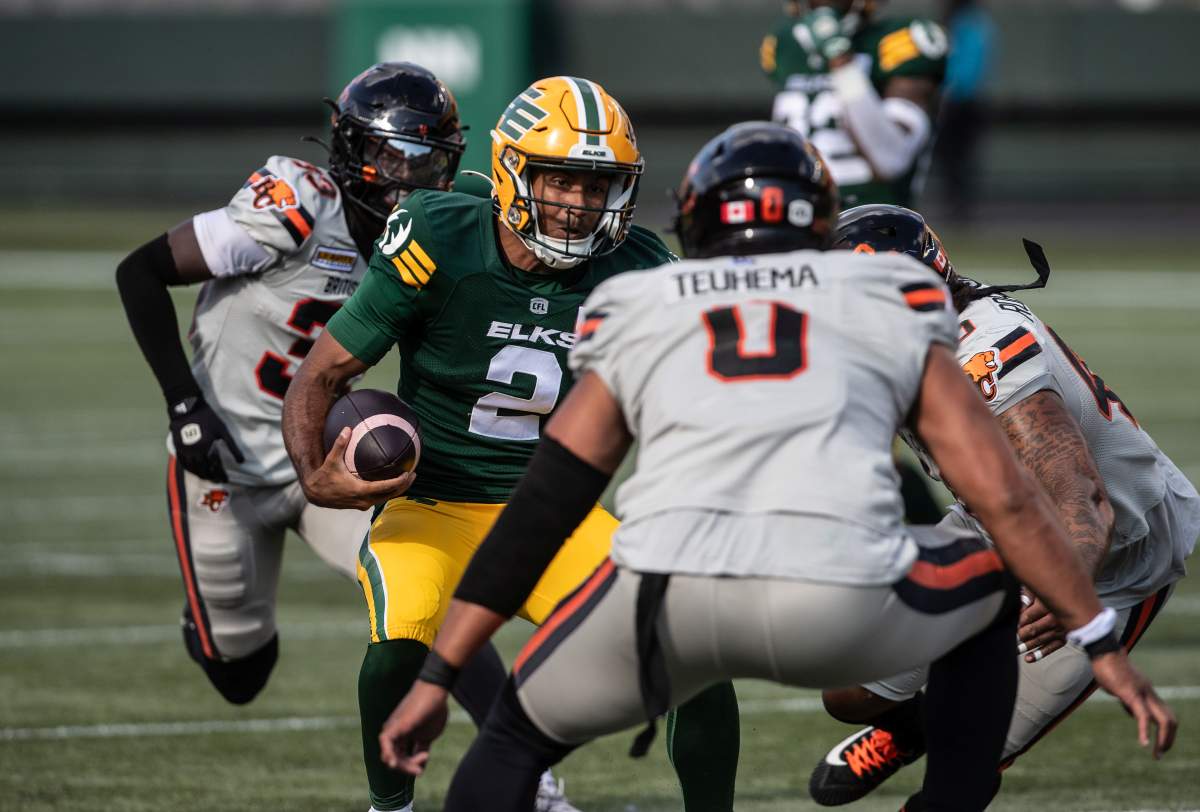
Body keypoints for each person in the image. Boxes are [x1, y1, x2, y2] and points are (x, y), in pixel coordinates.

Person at [373, 122, 1176, 812]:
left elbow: (545, 505)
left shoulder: (639, 302)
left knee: (513, 739)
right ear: (818, 220)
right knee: (990, 590)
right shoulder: (891, 303)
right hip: (832, 595)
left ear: (693, 221)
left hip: (672, 594)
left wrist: (440, 674)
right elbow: (1006, 498)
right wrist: (1099, 641)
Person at [281, 76, 676, 812]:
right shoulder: (440, 236)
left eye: (598, 186)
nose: (579, 204)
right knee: (399, 641)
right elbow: (323, 373)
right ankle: (390, 807)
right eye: (560, 180)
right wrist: (314, 475)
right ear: (512, 173)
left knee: (683, 649)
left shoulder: (641, 269)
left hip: (557, 515)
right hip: (430, 504)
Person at [805, 204, 1199, 808]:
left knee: (957, 780)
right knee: (849, 692)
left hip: (1110, 560)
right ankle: (912, 729)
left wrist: (1070, 598)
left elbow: (1085, 500)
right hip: (993, 519)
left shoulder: (983, 357)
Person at [114, 62, 471, 706]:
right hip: (224, 459)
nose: (411, 179)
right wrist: (185, 405)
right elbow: (139, 273)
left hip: (326, 453)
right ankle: (208, 627)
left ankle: (523, 762)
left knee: (425, 597)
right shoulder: (299, 205)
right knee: (241, 674)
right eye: (395, 157)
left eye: (428, 162)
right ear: (354, 150)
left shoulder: (425, 237)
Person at [760, 0, 947, 208]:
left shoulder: (900, 40)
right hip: (799, 217)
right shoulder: (784, 43)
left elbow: (890, 159)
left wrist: (840, 59)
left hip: (873, 219)